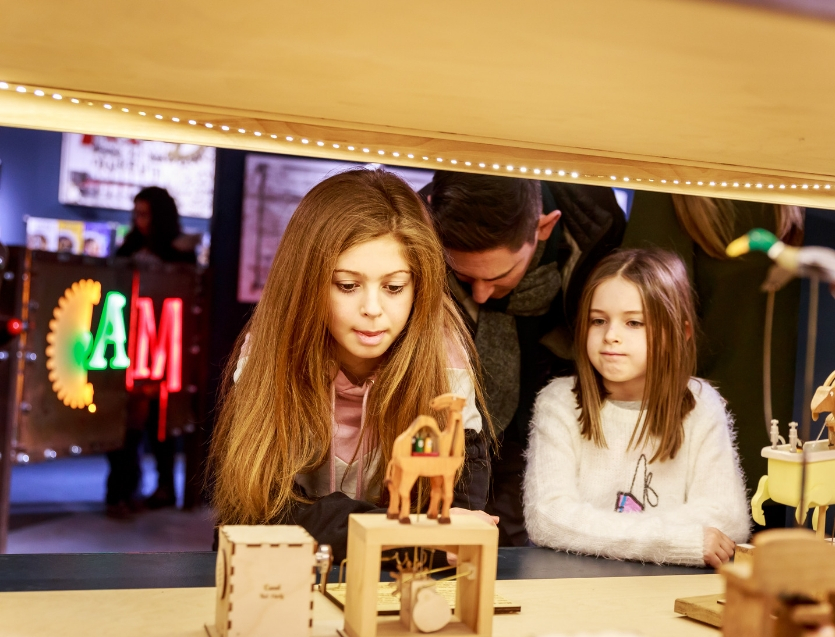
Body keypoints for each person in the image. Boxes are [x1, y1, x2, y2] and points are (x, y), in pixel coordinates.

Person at [209, 168, 496, 562]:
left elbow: (457, 532)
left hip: (399, 585)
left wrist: (387, 533)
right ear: (307, 283)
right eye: (347, 285)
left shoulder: (445, 360)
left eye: (394, 287)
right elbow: (255, 518)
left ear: (420, 286)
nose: (372, 309)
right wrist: (406, 531)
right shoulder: (268, 352)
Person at [423, 172, 626, 545]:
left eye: (499, 276)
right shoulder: (416, 228)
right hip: (453, 423)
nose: (481, 295)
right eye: (465, 276)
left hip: (546, 403)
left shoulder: (596, 229)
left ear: (544, 228)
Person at [523, 249, 750, 567]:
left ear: (680, 333)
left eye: (633, 322)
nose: (611, 336)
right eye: (598, 320)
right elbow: (549, 518)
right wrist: (679, 541)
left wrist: (595, 531)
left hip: (669, 589)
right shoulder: (559, 401)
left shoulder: (702, 403)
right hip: (576, 583)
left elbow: (728, 520)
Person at [621, 194, 803, 511]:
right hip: (698, 449)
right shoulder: (675, 194)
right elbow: (644, 319)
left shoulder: (799, 195)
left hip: (779, 444)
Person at [105, 186, 196, 517]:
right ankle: (123, 490)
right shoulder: (130, 246)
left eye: (145, 214)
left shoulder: (178, 252)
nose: (139, 221)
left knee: (161, 425)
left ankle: (162, 488)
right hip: (130, 346)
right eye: (136, 214)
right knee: (128, 426)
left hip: (163, 348)